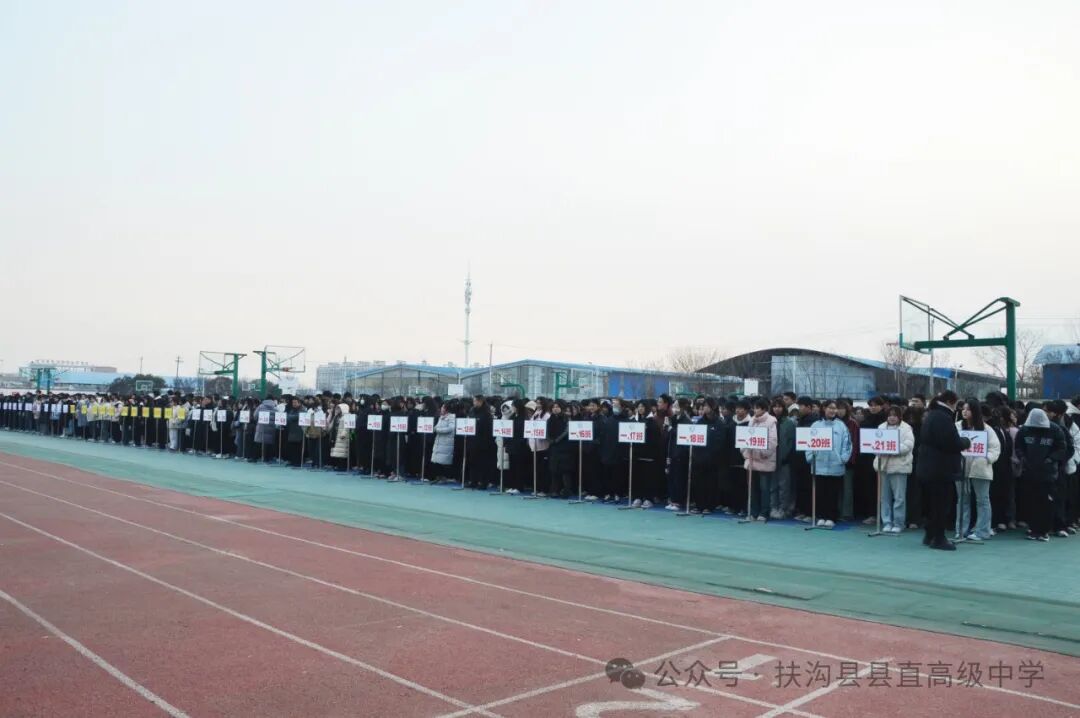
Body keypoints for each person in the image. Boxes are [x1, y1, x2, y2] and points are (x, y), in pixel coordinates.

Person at [916, 391, 971, 551]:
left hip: (927, 467)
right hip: (940, 469)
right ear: (950, 402)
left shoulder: (932, 415)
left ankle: (930, 534)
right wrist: (965, 442)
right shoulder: (943, 417)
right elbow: (951, 442)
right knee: (941, 505)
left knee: (930, 504)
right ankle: (939, 538)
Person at [1014, 408, 1068, 542]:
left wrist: (1050, 459)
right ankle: (1033, 529)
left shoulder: (1055, 430)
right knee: (1031, 501)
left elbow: (1062, 448)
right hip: (1030, 472)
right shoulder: (1024, 430)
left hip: (1047, 474)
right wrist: (1023, 458)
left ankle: (1044, 530)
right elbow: (1018, 446)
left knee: (1046, 502)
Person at [954, 400, 1001, 542]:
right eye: (963, 409)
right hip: (961, 467)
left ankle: (982, 531)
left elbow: (995, 448)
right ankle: (961, 530)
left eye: (968, 409)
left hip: (980, 468)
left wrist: (986, 459)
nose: (964, 411)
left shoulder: (986, 429)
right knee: (962, 500)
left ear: (975, 411)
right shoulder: (957, 426)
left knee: (982, 500)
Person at [808, 400, 853, 528]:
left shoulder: (841, 426)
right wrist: (810, 457)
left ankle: (831, 517)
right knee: (820, 493)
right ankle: (821, 516)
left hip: (835, 466)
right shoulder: (816, 425)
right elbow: (808, 442)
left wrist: (843, 459)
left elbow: (847, 444)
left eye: (835, 408)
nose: (833, 410)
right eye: (830, 408)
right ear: (824, 408)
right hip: (819, 464)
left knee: (833, 493)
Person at [873, 406, 915, 533]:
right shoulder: (881, 427)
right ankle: (886, 522)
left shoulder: (906, 428)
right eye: (890, 415)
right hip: (883, 466)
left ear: (900, 416)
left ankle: (898, 523)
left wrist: (892, 448)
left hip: (899, 467)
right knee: (884, 497)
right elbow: (874, 443)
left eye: (895, 415)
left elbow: (908, 445)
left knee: (899, 497)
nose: (892, 417)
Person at [743, 398, 778, 521]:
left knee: (764, 489)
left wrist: (763, 453)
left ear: (764, 409)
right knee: (752, 488)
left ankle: (764, 513)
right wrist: (744, 452)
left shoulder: (771, 421)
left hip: (764, 461)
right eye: (754, 408)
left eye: (757, 408)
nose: (755, 410)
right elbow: (745, 437)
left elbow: (772, 441)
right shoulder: (751, 420)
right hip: (751, 459)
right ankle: (753, 512)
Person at [431, 402, 456, 481]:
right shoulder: (441, 417)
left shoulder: (451, 417)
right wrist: (434, 428)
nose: (441, 409)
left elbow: (451, 428)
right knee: (438, 460)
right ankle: (438, 477)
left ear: (446, 409)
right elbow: (437, 426)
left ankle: (444, 477)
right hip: (439, 441)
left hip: (446, 442)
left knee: (444, 461)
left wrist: (438, 430)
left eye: (442, 407)